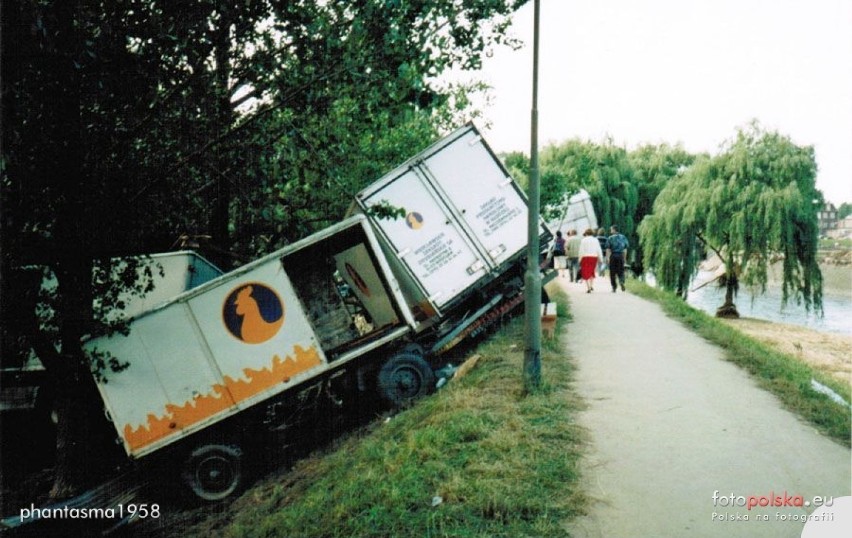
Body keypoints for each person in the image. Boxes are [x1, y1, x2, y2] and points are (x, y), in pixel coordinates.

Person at [579, 228, 604, 293]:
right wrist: (601, 258)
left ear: (586, 233)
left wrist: (580, 259)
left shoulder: (583, 240)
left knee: (585, 272)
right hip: (594, 257)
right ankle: (591, 285)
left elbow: (581, 250)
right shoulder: (596, 240)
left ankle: (588, 287)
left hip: (585, 257)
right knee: (591, 271)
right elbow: (599, 249)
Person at [606, 225, 629, 292]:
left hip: (613, 256)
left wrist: (607, 258)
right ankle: (621, 282)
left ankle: (614, 287)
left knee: (612, 272)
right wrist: (624, 258)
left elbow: (608, 249)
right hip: (620, 256)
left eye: (611, 229)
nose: (610, 231)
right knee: (621, 270)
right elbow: (625, 249)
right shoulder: (623, 237)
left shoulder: (610, 238)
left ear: (614, 230)